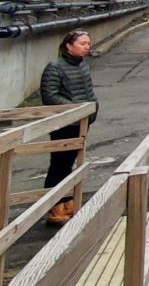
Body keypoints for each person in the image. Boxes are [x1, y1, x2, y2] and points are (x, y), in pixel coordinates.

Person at [40, 29, 97, 226]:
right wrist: (75, 108)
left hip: (81, 121)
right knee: (59, 163)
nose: (87, 47)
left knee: (70, 163)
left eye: (88, 43)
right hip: (64, 123)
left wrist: (92, 109)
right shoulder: (55, 68)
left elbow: (88, 91)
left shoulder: (82, 65)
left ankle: (67, 201)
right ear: (69, 46)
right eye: (82, 43)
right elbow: (50, 96)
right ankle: (55, 205)